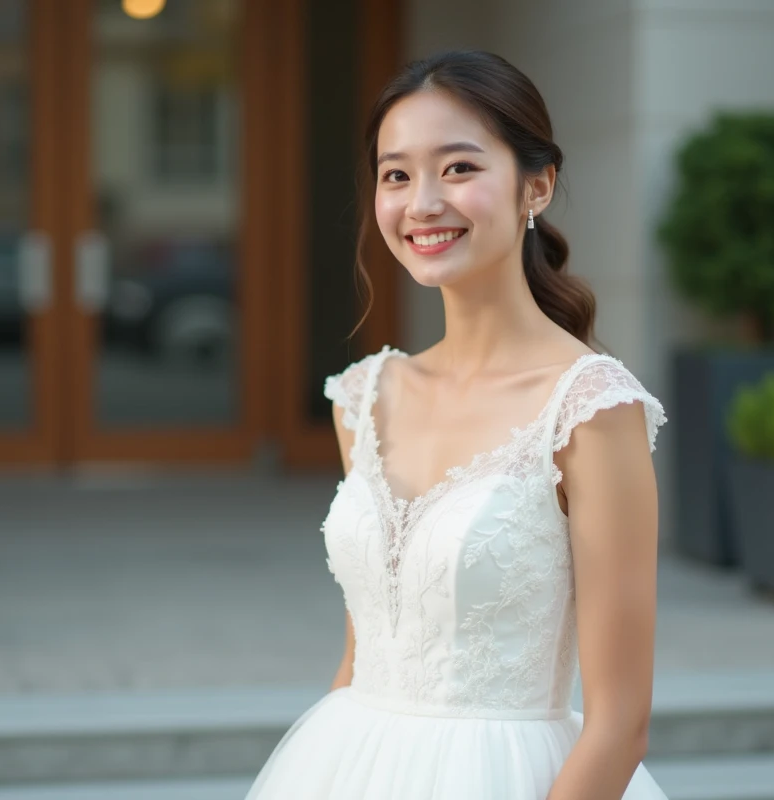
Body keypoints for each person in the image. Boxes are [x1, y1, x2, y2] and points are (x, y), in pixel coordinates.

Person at [245, 50, 669, 800]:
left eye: (459, 168)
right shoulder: (365, 397)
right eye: (396, 174)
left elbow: (621, 724)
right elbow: (364, 654)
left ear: (535, 186)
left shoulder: (593, 409)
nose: (422, 203)